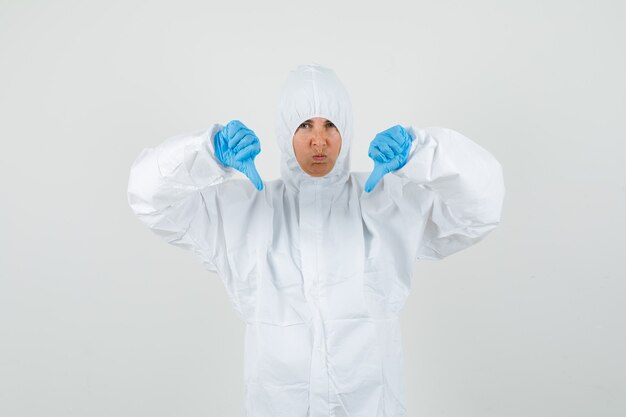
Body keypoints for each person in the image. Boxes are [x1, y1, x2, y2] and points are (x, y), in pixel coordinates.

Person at [127, 64, 505, 417]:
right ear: (284, 130)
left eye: (331, 125)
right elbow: (148, 198)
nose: (319, 141)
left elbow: (482, 206)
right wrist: (207, 154)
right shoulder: (242, 212)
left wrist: (422, 154)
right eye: (305, 125)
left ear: (348, 131)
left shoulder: (388, 205)